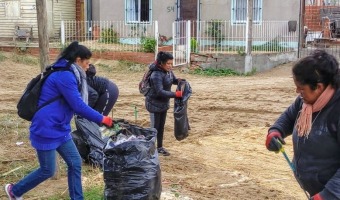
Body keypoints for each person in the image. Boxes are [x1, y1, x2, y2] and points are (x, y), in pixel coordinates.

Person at [4, 41, 113, 200]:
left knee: (75, 163)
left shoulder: (69, 72)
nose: (88, 66)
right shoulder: (65, 76)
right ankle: (15, 191)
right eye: (87, 62)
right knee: (47, 170)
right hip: (46, 128)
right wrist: (102, 118)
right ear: (77, 60)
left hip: (60, 128)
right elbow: (78, 106)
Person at [265, 49, 340, 200]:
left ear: (318, 87)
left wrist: (328, 195)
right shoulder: (305, 101)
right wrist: (275, 131)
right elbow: (288, 117)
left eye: (301, 88)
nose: (297, 91)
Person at [145, 51, 184, 156]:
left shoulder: (168, 71)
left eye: (171, 63)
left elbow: (173, 80)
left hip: (163, 104)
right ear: (161, 63)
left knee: (161, 127)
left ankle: (160, 147)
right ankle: (150, 150)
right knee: (154, 128)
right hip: (153, 104)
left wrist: (180, 81)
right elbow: (160, 91)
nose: (170, 66)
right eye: (168, 64)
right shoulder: (156, 74)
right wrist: (176, 94)